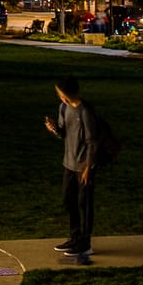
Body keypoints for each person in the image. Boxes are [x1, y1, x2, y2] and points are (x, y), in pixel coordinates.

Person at [42, 75, 98, 263]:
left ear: (68, 92)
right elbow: (64, 133)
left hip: (83, 166)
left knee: (84, 203)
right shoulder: (63, 108)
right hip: (69, 163)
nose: (59, 97)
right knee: (69, 200)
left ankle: (85, 243)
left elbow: (92, 142)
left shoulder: (85, 112)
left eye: (60, 93)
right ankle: (75, 237)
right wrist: (54, 129)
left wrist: (88, 167)